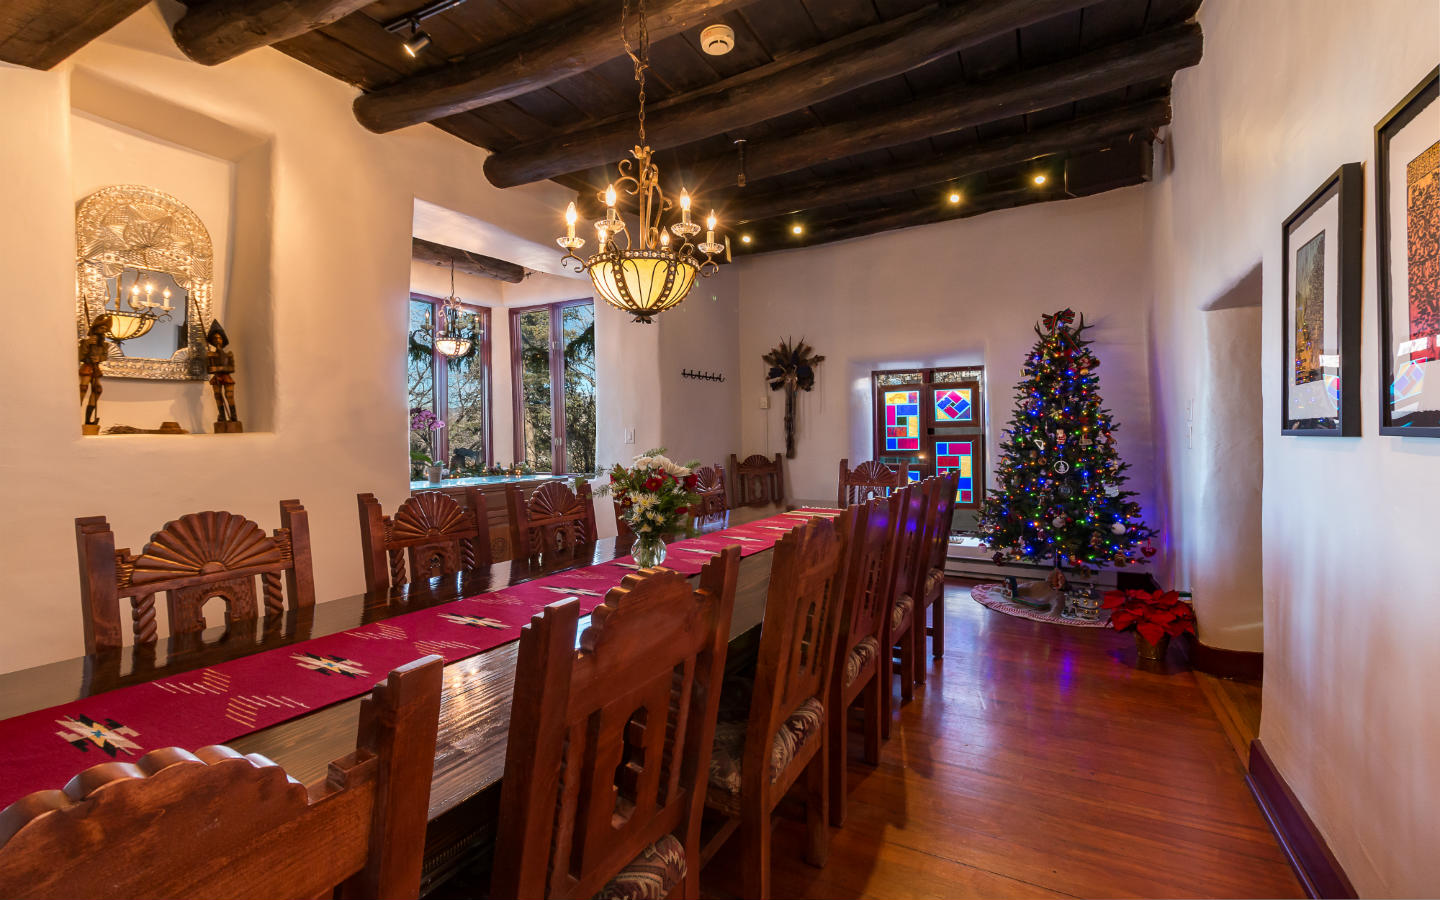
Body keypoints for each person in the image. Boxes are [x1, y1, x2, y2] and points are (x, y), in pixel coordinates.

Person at [206, 320, 238, 425]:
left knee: (229, 395)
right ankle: (222, 416)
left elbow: (231, 368)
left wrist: (218, 369)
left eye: (219, 338)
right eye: (215, 338)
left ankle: (233, 416)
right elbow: (209, 369)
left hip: (226, 376)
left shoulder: (229, 354)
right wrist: (212, 365)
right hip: (217, 378)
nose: (217, 340)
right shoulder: (211, 355)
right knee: (218, 396)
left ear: (223, 340)